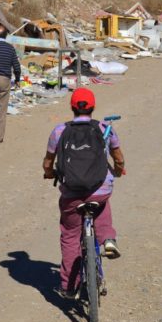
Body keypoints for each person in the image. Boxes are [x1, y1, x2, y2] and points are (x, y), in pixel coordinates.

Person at [42, 87, 125, 299]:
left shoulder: (59, 131)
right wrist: (118, 169)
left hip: (71, 193)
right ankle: (107, 239)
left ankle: (69, 287)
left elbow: (48, 161)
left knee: (70, 236)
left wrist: (49, 173)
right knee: (102, 205)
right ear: (93, 107)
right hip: (99, 188)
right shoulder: (105, 128)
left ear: (72, 107)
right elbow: (118, 157)